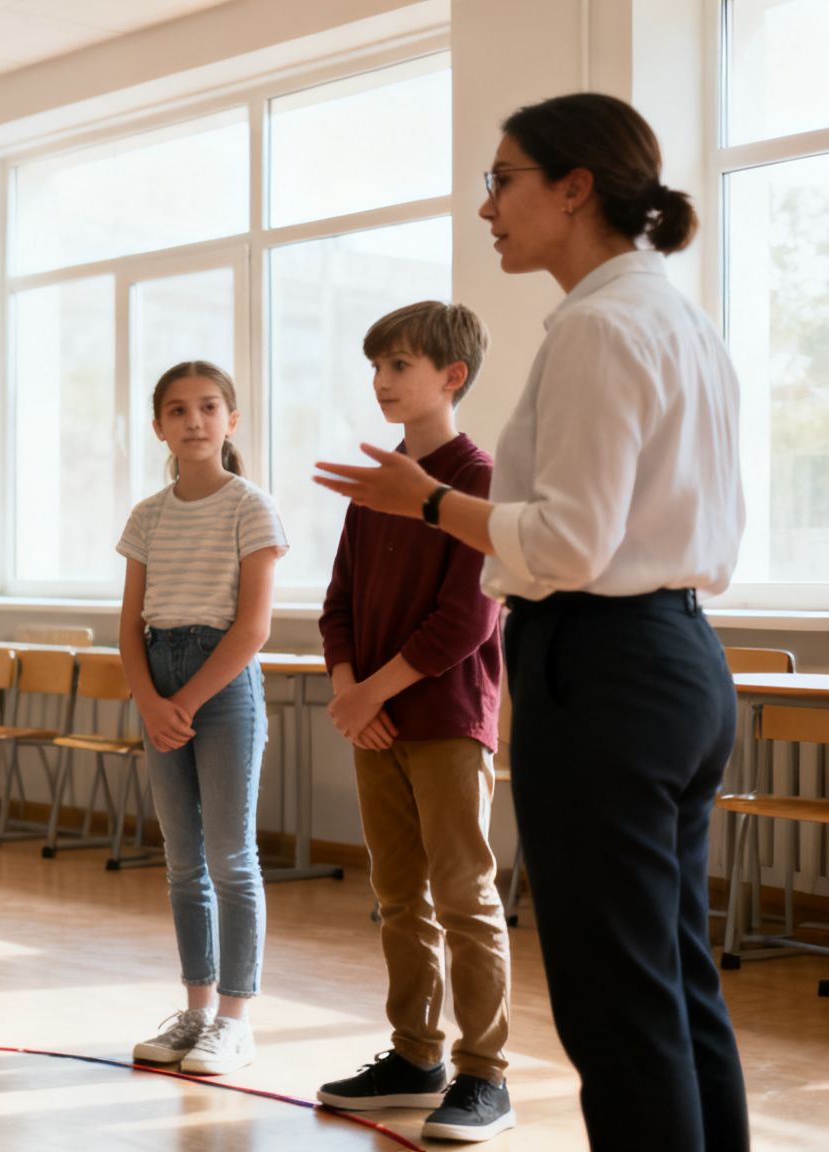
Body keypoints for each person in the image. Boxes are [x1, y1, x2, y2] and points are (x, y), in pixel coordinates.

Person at [315, 92, 748, 1151]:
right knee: (672, 981)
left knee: (617, 1000)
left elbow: (563, 545)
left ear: (572, 187)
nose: (484, 209)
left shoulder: (601, 325)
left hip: (605, 667)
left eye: (500, 181)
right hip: (678, 658)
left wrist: (420, 501)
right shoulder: (673, 317)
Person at [315, 302, 515, 1142]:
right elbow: (340, 607)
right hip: (376, 720)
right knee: (398, 896)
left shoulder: (479, 479)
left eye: (399, 365)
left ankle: (484, 1076)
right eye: (377, 366)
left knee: (464, 895)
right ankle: (415, 1056)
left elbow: (468, 620)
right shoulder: (376, 485)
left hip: (444, 718)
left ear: (451, 376)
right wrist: (348, 687)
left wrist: (371, 694)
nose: (382, 381)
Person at [118, 361, 285, 1077]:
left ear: (231, 421)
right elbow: (128, 627)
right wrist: (153, 701)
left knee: (230, 857)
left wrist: (185, 702)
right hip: (159, 675)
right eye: (178, 411)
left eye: (209, 407)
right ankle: (195, 1008)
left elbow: (252, 629)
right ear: (158, 426)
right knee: (183, 861)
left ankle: (235, 1019)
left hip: (223, 685)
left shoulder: (251, 506)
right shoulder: (147, 516)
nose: (194, 421)